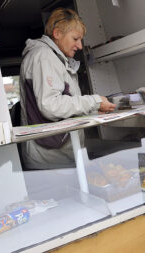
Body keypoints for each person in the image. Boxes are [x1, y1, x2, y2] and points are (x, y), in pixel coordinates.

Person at [19, 8, 116, 169]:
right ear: (57, 34)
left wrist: (92, 111)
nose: (79, 46)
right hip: (50, 161)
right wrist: (94, 101)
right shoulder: (44, 57)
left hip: (57, 156)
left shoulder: (54, 58)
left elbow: (66, 103)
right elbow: (50, 105)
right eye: (75, 39)